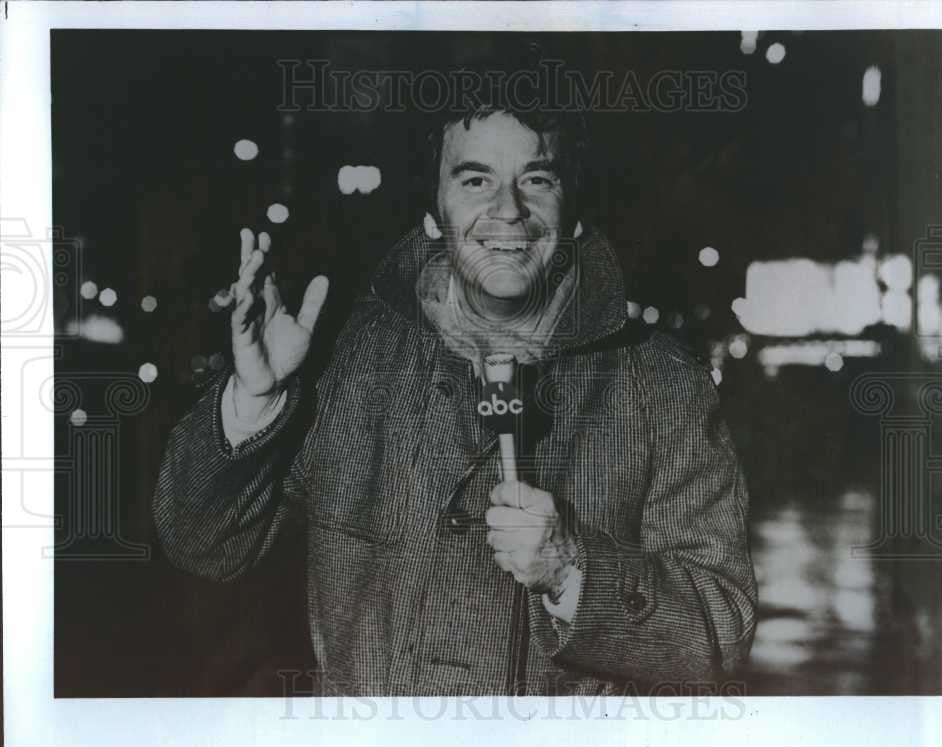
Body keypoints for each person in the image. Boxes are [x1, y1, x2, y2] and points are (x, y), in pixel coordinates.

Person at [153, 71, 757, 696]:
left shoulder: (663, 387)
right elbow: (205, 546)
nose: (507, 210)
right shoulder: (347, 361)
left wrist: (571, 569)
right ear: (432, 215)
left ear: (571, 215)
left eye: (537, 179)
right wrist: (256, 400)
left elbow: (719, 635)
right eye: (475, 180)